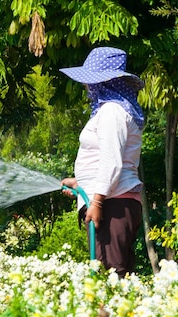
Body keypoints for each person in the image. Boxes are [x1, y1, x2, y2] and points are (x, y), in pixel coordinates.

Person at [59, 47, 145, 278]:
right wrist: (82, 183)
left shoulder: (112, 112)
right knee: (111, 276)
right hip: (112, 201)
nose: (86, 87)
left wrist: (96, 201)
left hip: (113, 206)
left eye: (90, 81)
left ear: (104, 82)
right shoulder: (110, 111)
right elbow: (107, 161)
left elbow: (112, 162)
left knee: (111, 276)